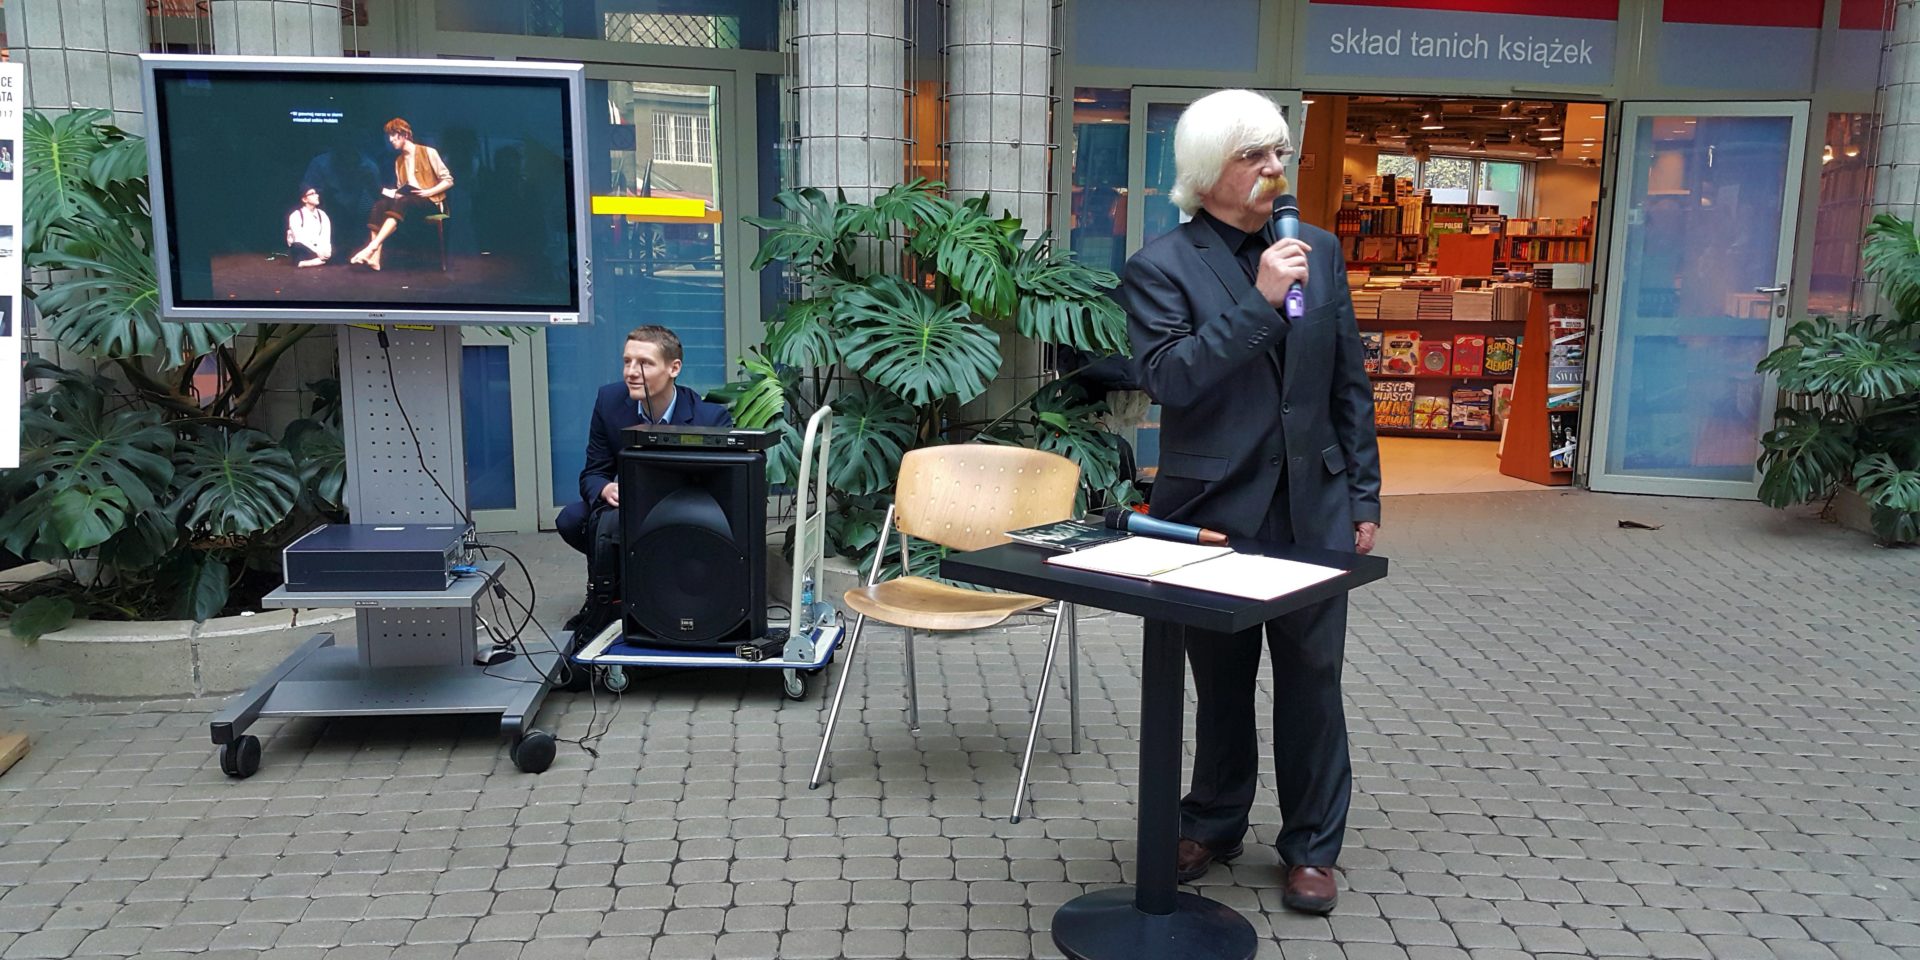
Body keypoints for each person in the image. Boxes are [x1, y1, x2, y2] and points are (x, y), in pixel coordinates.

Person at [1118, 89, 1382, 915]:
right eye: (1254, 155)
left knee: (1313, 680)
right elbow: (1171, 378)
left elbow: (1348, 382)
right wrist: (1258, 301)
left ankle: (1312, 847)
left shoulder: (1318, 250)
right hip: (1212, 510)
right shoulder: (1160, 266)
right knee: (1221, 681)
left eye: (1279, 152)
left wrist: (1363, 493)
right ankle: (1214, 819)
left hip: (1314, 505)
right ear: (1208, 173)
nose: (1275, 168)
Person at [555, 325, 733, 556]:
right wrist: (606, 489)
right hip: (630, 503)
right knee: (571, 519)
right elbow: (593, 474)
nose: (631, 372)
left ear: (674, 368)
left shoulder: (709, 418)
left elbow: (720, 492)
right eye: (627, 361)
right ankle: (617, 571)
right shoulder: (609, 402)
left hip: (683, 508)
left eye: (644, 363)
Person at [350, 117, 453, 271]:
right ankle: (376, 259)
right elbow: (401, 189)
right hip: (410, 203)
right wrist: (392, 193)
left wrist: (428, 192)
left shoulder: (428, 152)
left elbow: (448, 181)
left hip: (432, 202)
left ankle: (372, 247)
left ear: (404, 134)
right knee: (381, 204)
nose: (390, 140)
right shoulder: (399, 161)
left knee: (405, 202)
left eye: (393, 135)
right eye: (389, 136)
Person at [286, 186, 332, 267]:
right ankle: (305, 263)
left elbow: (326, 236)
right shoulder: (296, 215)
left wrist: (327, 251)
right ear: (304, 199)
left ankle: (318, 260)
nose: (317, 195)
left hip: (318, 247)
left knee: (337, 253)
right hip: (305, 247)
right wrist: (317, 251)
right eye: (312, 194)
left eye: (316, 193)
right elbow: (300, 238)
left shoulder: (322, 214)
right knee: (297, 246)